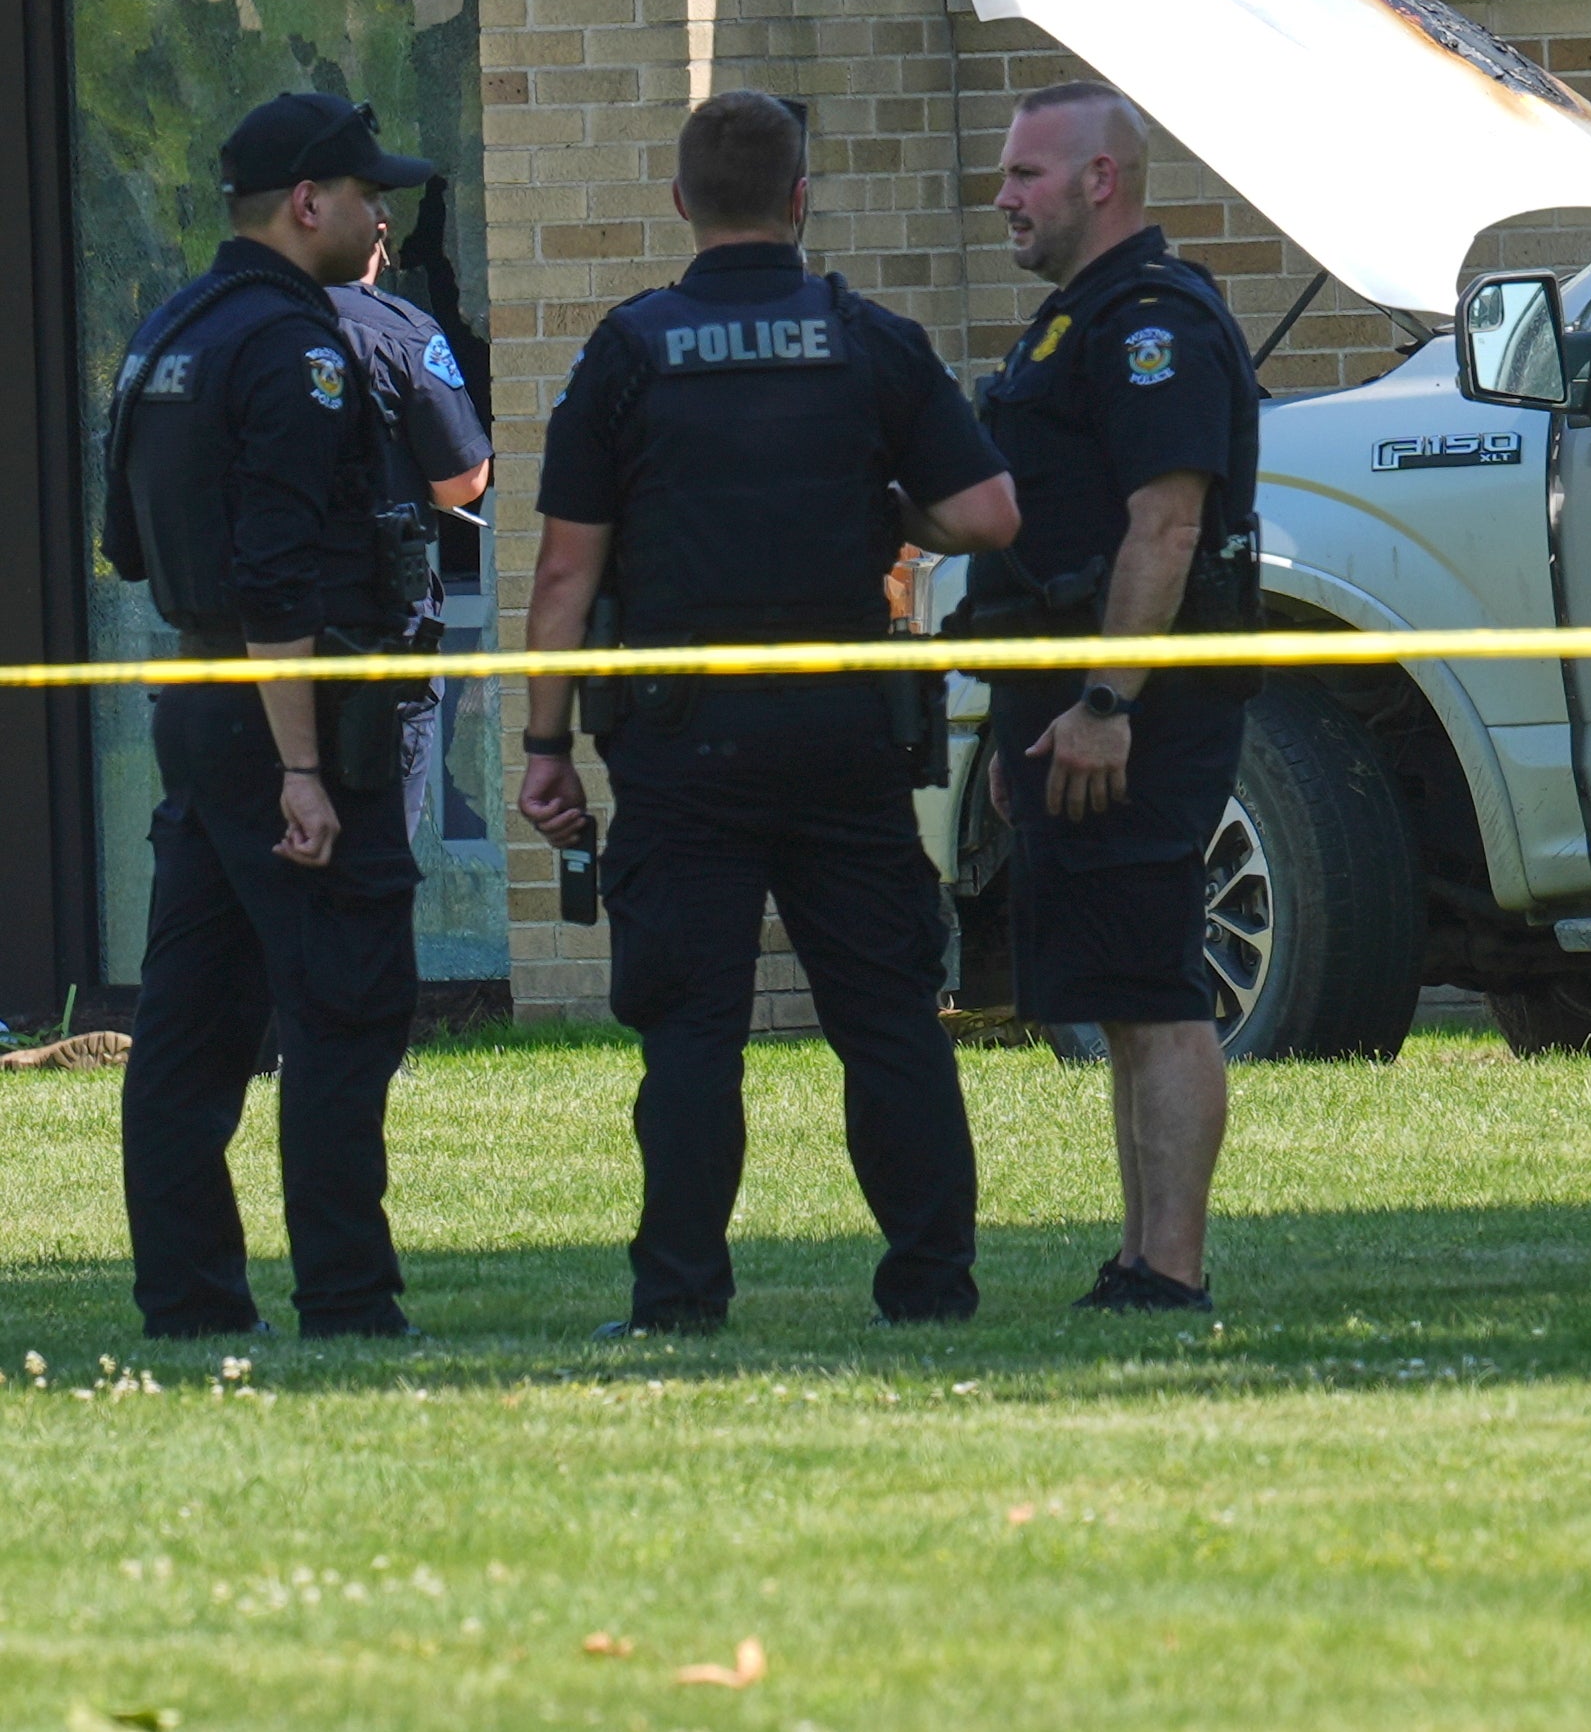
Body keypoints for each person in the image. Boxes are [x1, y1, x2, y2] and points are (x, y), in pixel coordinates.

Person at [514, 91, 1022, 1334]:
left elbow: (565, 576)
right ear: (801, 199)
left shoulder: (625, 352)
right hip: (842, 735)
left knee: (692, 1033)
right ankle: (930, 1287)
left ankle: (679, 1298)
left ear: (682, 203)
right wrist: (886, 506)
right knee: (887, 1019)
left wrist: (545, 745)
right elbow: (989, 516)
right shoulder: (868, 339)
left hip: (683, 743)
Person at [99, 92, 442, 1340]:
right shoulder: (297, 350)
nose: (382, 215)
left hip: (197, 709)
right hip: (293, 717)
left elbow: (128, 550)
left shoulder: (167, 330)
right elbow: (281, 577)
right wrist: (305, 767)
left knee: (190, 1025)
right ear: (309, 203)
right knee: (342, 1010)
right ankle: (349, 1300)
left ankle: (189, 1299)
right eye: (366, 194)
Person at [966, 81, 1264, 1314]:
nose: (1004, 196)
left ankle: (1173, 1267)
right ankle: (1139, 1254)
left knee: (1155, 989)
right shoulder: (1070, 324)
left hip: (1136, 713)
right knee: (1123, 996)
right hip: (1066, 706)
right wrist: (1013, 722)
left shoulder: (1152, 324)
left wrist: (1107, 699)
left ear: (1102, 179)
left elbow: (1167, 520)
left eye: (1027, 174)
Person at [329, 239, 492, 858]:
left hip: (246, 651)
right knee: (372, 880)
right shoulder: (397, 332)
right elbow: (463, 481)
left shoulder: (220, 328)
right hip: (374, 640)